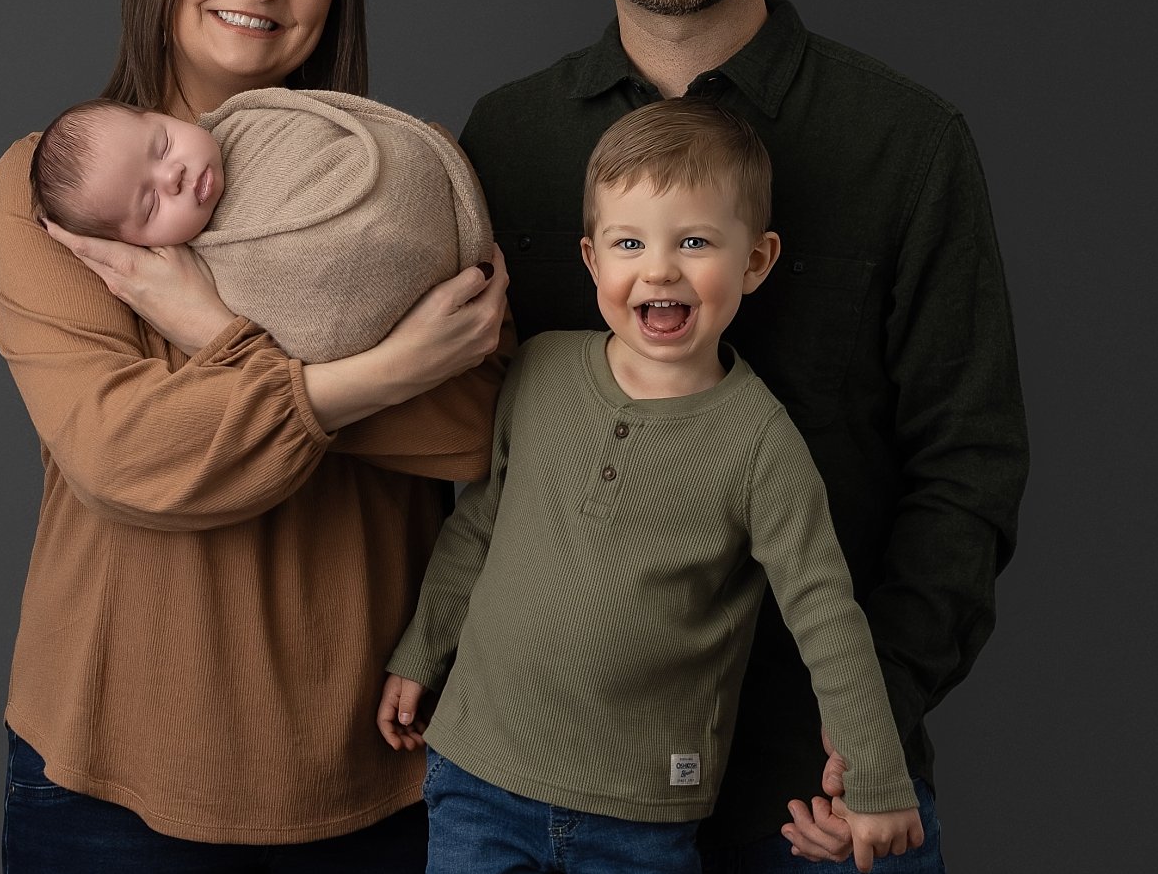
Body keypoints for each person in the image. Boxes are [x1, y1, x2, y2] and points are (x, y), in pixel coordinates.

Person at [458, 0, 1029, 872]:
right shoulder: (507, 141)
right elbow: (479, 456)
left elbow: (968, 463)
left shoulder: (904, 143)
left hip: (810, 792)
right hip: (558, 791)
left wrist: (869, 714)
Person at [0, 0, 509, 870]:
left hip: (366, 763)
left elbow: (470, 430)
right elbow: (124, 457)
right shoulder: (49, 191)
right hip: (105, 768)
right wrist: (380, 372)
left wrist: (210, 333)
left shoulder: (399, 180)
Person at [378, 99, 924, 874]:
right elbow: (480, 523)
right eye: (628, 241)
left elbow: (826, 614)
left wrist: (876, 776)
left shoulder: (760, 442)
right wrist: (420, 650)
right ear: (593, 259)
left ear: (756, 260)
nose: (659, 267)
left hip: (639, 809)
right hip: (477, 771)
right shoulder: (539, 369)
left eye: (694, 241)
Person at [28, 86, 492, 362]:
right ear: (136, 246)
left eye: (163, 144)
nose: (175, 176)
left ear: (165, 116)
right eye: (149, 205)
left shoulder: (252, 121)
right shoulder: (197, 279)